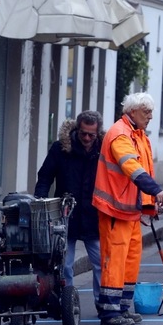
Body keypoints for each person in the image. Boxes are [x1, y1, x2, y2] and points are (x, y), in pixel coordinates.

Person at [92, 92, 163, 325]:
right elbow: (132, 169)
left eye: (151, 113)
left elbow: (142, 170)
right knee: (114, 260)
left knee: (130, 260)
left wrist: (147, 207)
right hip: (114, 208)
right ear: (132, 112)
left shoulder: (137, 135)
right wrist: (156, 191)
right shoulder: (120, 134)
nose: (150, 117)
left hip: (129, 210)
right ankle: (109, 312)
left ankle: (122, 308)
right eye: (146, 112)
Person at [34, 110, 103, 311]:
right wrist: (41, 202)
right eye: (84, 134)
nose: (87, 138)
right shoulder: (61, 149)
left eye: (92, 134)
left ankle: (102, 303)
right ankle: (68, 305)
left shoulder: (104, 150)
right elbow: (45, 176)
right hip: (64, 215)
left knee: (101, 264)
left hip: (94, 215)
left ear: (98, 133)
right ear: (77, 130)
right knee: (65, 264)